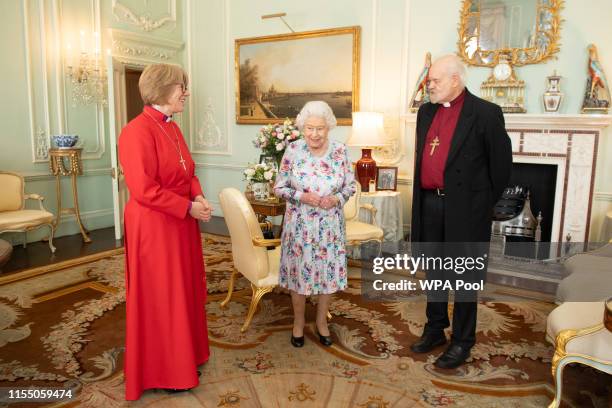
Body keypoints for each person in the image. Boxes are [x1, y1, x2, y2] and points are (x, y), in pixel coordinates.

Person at [410, 54, 512, 368]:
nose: (430, 86)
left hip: (466, 210)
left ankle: (462, 341)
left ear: (456, 79)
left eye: (436, 80)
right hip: (430, 204)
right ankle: (435, 328)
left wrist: (480, 206)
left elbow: (502, 167)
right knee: (435, 271)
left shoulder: (485, 113)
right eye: (429, 80)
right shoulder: (425, 112)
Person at [119, 63, 212, 400]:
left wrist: (197, 195)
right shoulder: (135, 131)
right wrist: (187, 207)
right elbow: (143, 189)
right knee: (163, 295)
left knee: (184, 290)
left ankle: (186, 356)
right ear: (161, 90)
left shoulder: (173, 128)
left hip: (180, 224)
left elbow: (188, 172)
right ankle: (166, 369)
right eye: (180, 87)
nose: (185, 93)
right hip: (154, 227)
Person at [274, 101, 356, 348]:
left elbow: (350, 186)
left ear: (328, 127)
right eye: (309, 128)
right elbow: (279, 187)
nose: (314, 134)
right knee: (299, 273)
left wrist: (337, 199)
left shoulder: (340, 151)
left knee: (328, 275)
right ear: (302, 127)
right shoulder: (293, 150)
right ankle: (298, 323)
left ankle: (322, 322)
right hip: (300, 226)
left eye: (320, 128)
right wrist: (302, 196)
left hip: (329, 227)